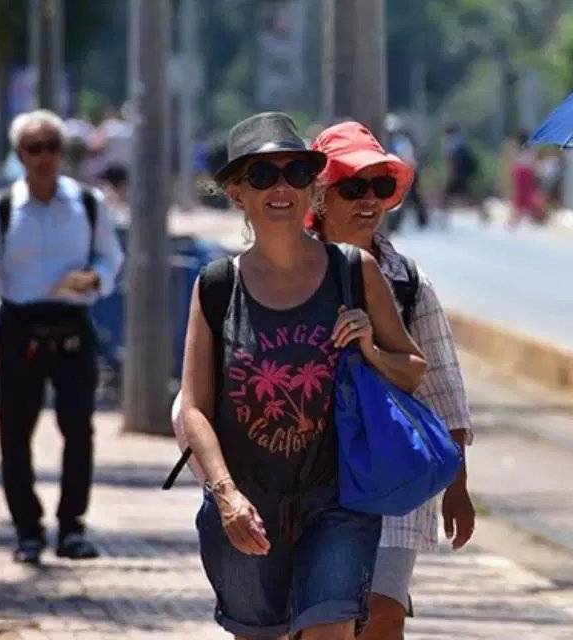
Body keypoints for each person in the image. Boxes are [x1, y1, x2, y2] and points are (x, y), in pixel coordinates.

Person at [177, 112, 426, 640]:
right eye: (262, 176)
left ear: (314, 187)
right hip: (246, 502)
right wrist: (225, 494)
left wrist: (371, 349)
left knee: (330, 634)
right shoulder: (218, 285)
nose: (281, 187)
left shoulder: (354, 271)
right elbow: (194, 406)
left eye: (295, 173)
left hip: (337, 500)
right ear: (237, 193)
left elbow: (413, 371)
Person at [305, 121, 476, 640]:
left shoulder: (408, 282)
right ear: (319, 196)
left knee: (382, 612)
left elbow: (442, 387)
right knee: (317, 619)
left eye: (380, 187)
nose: (368, 202)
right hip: (309, 474)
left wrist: (458, 488)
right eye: (352, 188)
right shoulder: (287, 275)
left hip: (390, 477)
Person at [0, 109, 125, 564]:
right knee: (15, 434)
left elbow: (110, 258)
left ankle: (72, 527)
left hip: (73, 324)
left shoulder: (89, 204)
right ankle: (27, 531)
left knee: (79, 431)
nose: (44, 158)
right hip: (19, 327)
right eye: (34, 149)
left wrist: (95, 277)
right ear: (20, 154)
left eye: (52, 147)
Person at [382, 114, 432, 232]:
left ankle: (398, 225)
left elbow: (406, 159)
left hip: (406, 172)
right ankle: (419, 221)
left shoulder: (400, 142)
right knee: (411, 198)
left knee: (405, 199)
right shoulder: (391, 142)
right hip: (401, 172)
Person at [439, 125, 487, 225]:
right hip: (464, 175)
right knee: (468, 195)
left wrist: (450, 175)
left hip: (456, 175)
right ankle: (483, 213)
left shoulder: (452, 143)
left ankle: (444, 218)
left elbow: (451, 161)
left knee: (447, 196)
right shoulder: (461, 142)